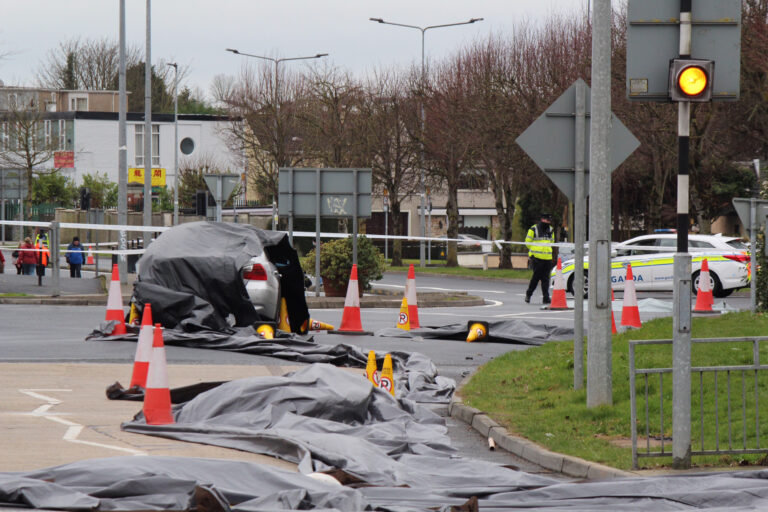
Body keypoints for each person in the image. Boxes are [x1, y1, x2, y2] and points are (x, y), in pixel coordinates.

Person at [525, 213, 555, 304]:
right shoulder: (533, 229)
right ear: (542, 219)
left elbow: (552, 243)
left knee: (546, 279)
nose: (548, 222)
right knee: (536, 278)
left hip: (547, 258)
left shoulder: (551, 230)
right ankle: (528, 294)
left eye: (549, 220)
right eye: (547, 220)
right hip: (537, 258)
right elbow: (527, 242)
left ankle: (546, 297)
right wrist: (533, 253)